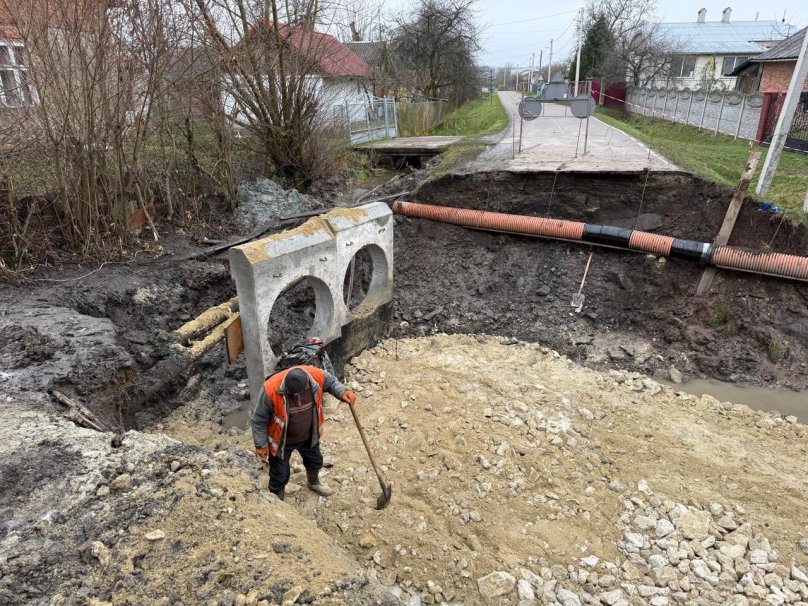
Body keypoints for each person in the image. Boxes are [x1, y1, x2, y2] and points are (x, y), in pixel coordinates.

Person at [251, 365, 356, 500]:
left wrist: (342, 392)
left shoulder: (315, 376)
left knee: (315, 461)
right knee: (279, 474)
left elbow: (332, 383)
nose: (296, 396)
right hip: (282, 441)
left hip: (309, 435)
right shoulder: (271, 388)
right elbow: (258, 419)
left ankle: (313, 482)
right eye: (292, 394)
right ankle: (276, 501)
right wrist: (261, 444)